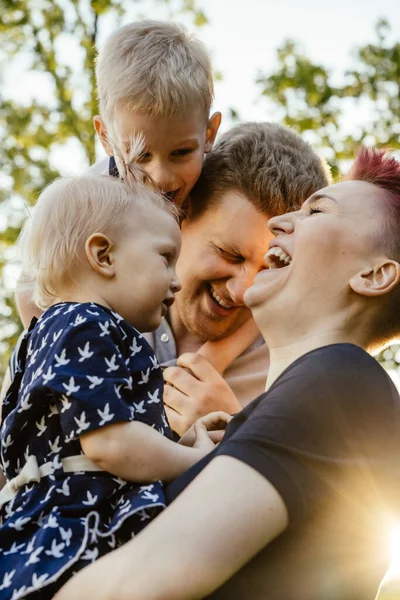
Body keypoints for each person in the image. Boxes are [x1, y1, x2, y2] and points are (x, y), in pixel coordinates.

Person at [55, 147, 400, 600]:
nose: (281, 222)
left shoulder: (339, 380)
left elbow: (133, 584)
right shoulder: (310, 400)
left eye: (318, 210)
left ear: (375, 275)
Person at [0, 174, 228, 600]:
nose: (176, 282)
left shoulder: (48, 335)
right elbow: (112, 445)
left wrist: (189, 435)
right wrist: (198, 459)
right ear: (103, 255)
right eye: (165, 258)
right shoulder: (87, 324)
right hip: (75, 541)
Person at [15, 19, 221, 328]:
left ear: (209, 134)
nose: (161, 176)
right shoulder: (88, 206)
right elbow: (29, 291)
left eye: (181, 153)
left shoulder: (221, 192)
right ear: (106, 137)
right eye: (140, 156)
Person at [155, 122, 331, 434]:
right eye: (229, 254)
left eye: (270, 268)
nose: (243, 291)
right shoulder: (91, 292)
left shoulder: (291, 383)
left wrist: (237, 435)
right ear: (180, 215)